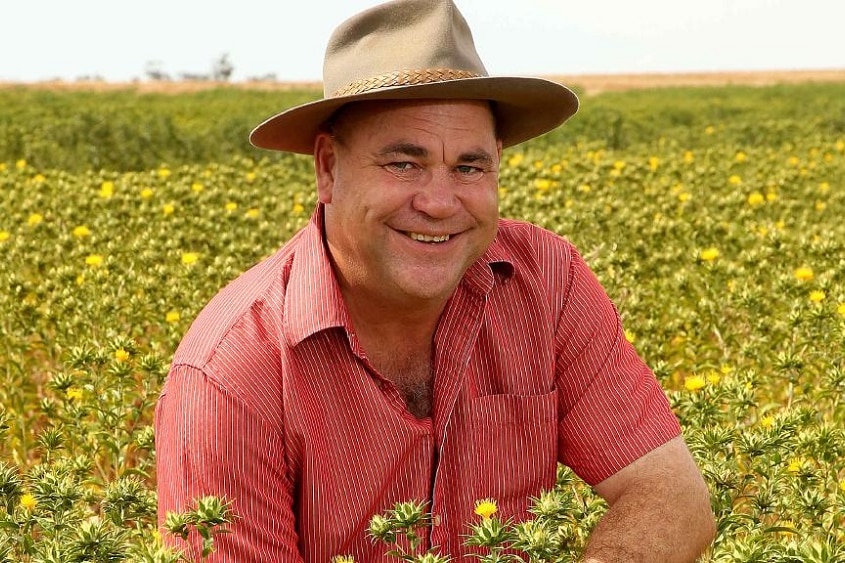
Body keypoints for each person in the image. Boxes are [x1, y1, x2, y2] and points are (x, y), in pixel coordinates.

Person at [155, 0, 716, 561]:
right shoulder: (229, 376)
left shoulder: (546, 282)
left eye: (469, 167)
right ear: (327, 168)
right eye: (404, 163)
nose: (440, 202)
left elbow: (670, 494)